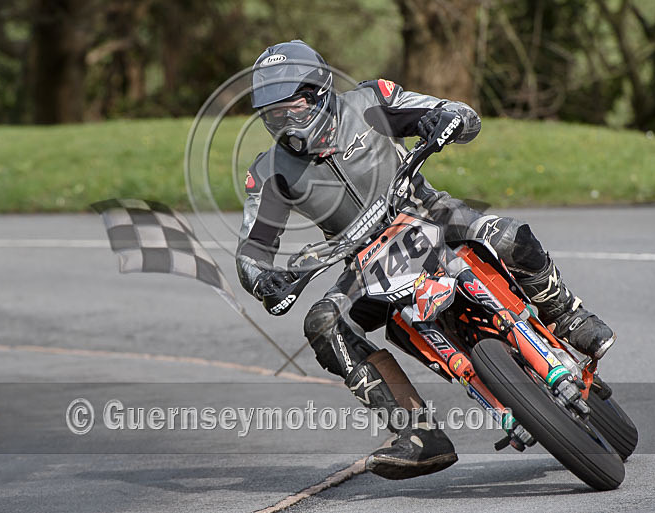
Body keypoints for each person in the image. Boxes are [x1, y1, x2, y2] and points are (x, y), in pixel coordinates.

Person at [235, 40, 615, 480]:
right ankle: (418, 435)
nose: (283, 123)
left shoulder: (370, 100)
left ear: (319, 92)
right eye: (272, 114)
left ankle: (569, 316)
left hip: (430, 212)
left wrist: (447, 118)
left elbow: (459, 114)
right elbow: (251, 251)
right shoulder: (268, 172)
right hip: (362, 262)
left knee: (509, 235)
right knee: (323, 323)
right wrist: (264, 279)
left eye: (291, 108)